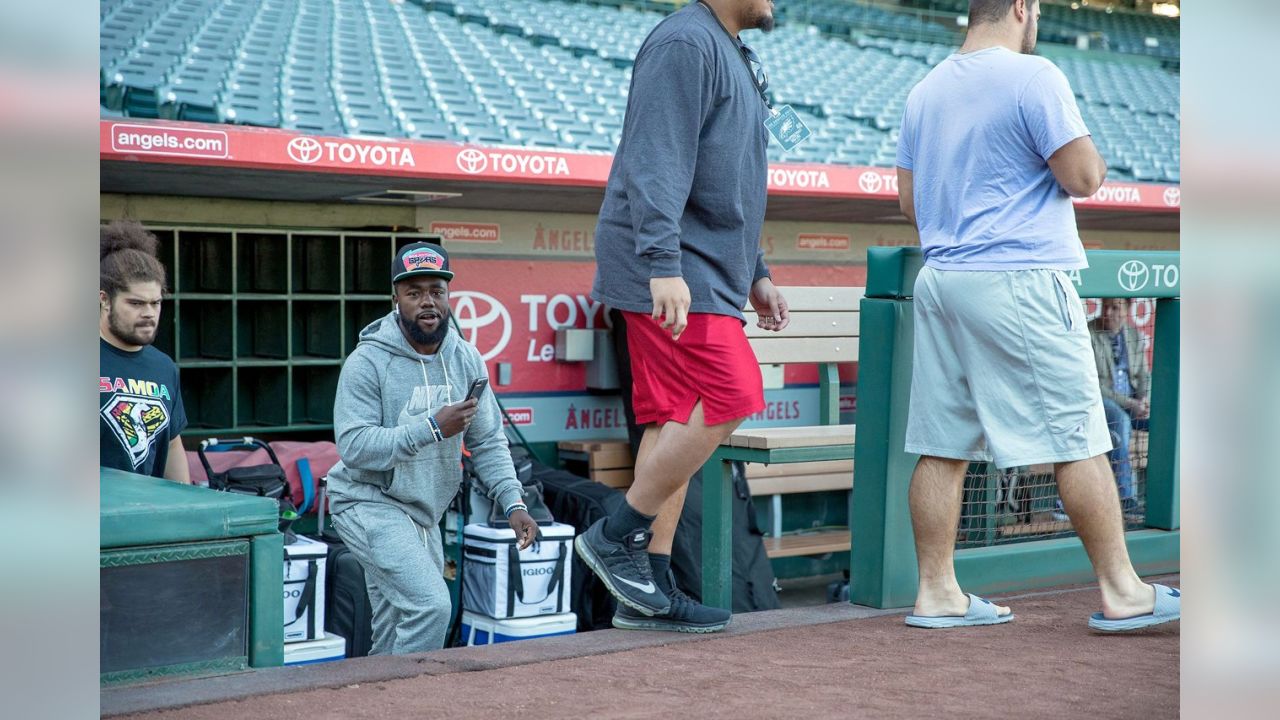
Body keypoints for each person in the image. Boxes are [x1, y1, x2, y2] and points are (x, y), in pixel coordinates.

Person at [895, 0, 1179, 631]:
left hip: (942, 279)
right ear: (1022, 7)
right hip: (1016, 277)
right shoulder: (1035, 74)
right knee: (1077, 437)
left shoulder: (925, 88)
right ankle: (1123, 590)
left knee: (941, 445)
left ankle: (937, 592)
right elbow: (1083, 177)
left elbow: (909, 200)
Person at [578, 0, 789, 634]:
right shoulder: (685, 43)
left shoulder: (731, 51)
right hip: (676, 268)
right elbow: (656, 161)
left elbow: (732, 182)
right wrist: (662, 261)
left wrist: (756, 271)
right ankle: (617, 536)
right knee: (734, 393)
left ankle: (650, 589)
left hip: (706, 269)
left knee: (671, 416)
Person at [326, 242, 539, 654]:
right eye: (415, 292)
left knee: (393, 625)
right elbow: (353, 447)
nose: (428, 302)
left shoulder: (466, 359)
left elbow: (489, 440)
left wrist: (513, 503)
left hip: (422, 514)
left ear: (448, 296)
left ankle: (378, 699)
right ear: (396, 299)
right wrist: (431, 428)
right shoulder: (367, 361)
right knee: (431, 607)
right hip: (367, 503)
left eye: (436, 291)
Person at [99, 221, 190, 483]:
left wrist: (188, 512)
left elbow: (172, 445)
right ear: (103, 299)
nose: (149, 313)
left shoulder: (164, 367)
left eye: (156, 303)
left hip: (145, 517)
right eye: (136, 303)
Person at [1090, 297, 1150, 514]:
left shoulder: (1133, 334)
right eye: (1105, 307)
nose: (1109, 312)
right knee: (1121, 421)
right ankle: (1126, 499)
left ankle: (1165, 496)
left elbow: (1143, 374)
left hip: (1134, 403)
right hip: (1103, 402)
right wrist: (1130, 404)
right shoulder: (1090, 333)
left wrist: (1143, 400)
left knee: (1167, 422)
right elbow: (1093, 384)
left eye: (1115, 307)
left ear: (1127, 309)